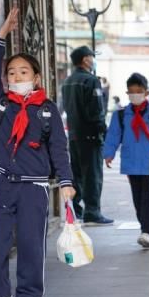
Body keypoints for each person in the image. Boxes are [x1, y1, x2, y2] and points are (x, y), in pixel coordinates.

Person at [0, 8, 75, 297]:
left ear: (35, 78)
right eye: (11, 73)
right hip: (1, 182)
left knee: (32, 245)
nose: (16, 76)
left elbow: (60, 150)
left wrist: (66, 182)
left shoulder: (47, 110)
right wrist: (1, 34)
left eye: (23, 72)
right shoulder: (2, 103)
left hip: (33, 186)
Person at [103, 73, 149, 249]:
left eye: (139, 91)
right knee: (138, 198)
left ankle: (147, 231)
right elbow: (113, 136)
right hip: (132, 163)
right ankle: (146, 228)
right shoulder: (121, 115)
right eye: (132, 92)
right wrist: (108, 153)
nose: (135, 94)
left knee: (148, 197)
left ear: (146, 92)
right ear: (127, 93)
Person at [62, 45, 113, 226]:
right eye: (92, 56)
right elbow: (96, 111)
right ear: (85, 59)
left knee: (77, 174)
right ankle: (93, 212)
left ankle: (76, 210)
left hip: (74, 135)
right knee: (92, 175)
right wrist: (103, 131)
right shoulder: (91, 81)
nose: (93, 60)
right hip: (91, 136)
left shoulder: (67, 82)